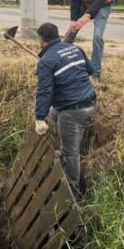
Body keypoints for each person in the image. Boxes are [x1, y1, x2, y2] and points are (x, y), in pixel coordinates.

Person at [34, 22, 97, 193]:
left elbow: (45, 92)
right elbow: (90, 70)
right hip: (91, 101)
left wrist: (39, 118)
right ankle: (66, 144)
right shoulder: (75, 48)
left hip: (74, 111)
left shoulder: (46, 61)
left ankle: (73, 191)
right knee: (53, 113)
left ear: (41, 40)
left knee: (71, 154)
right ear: (57, 35)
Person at [64, 0, 114, 79]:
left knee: (97, 37)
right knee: (71, 31)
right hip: (86, 3)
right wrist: (73, 19)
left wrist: (86, 16)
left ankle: (96, 73)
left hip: (103, 5)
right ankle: (60, 61)